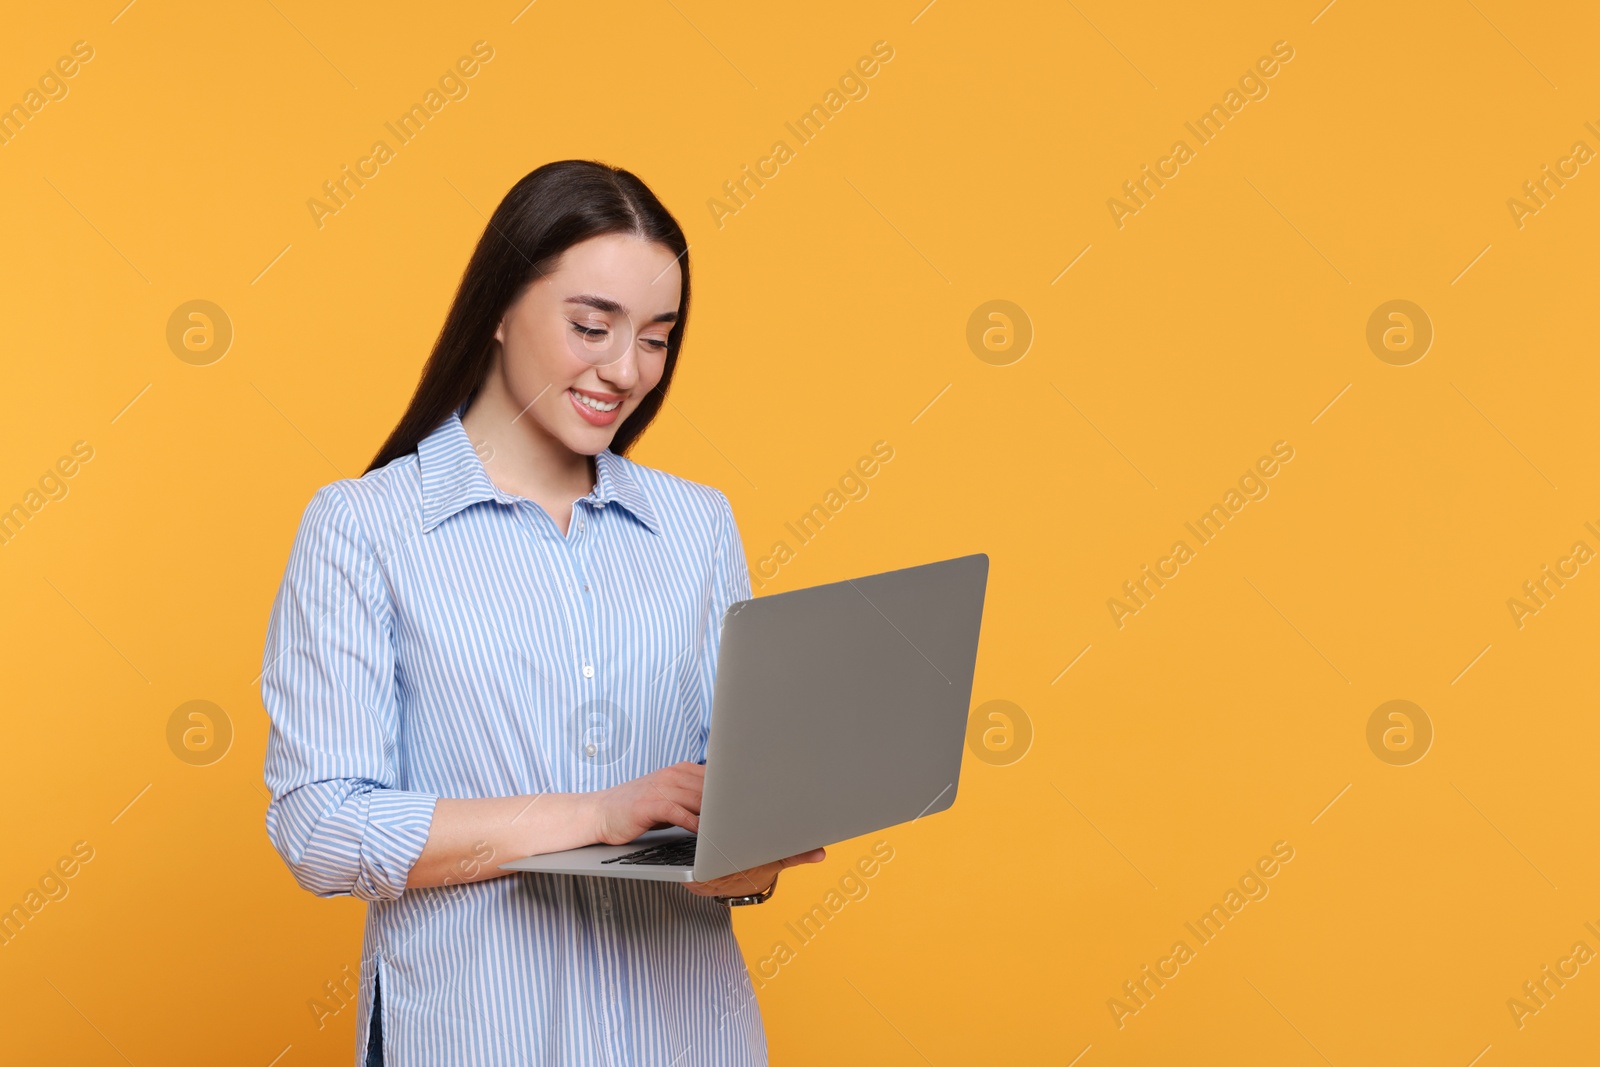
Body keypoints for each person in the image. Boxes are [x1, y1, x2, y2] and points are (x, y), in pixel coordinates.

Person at [260, 159, 825, 1066]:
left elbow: (727, 791)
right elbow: (323, 828)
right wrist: (594, 813)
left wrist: (753, 847)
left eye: (656, 337)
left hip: (687, 1035)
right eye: (592, 326)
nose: (625, 369)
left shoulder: (696, 524)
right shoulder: (365, 527)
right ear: (496, 306)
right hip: (479, 1033)